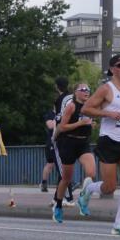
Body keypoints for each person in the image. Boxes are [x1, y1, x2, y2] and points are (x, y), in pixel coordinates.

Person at [78, 54, 120, 236]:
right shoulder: (106, 89)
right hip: (108, 141)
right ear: (112, 69)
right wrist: (108, 114)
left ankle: (118, 223)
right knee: (109, 187)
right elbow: (86, 109)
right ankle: (88, 190)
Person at [50, 83, 96, 223]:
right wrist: (80, 124)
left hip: (83, 143)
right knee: (66, 178)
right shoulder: (71, 106)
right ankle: (58, 205)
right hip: (68, 143)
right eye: (82, 89)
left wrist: (91, 125)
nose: (86, 91)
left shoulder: (90, 106)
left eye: (88, 89)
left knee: (91, 172)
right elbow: (62, 126)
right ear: (76, 92)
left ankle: (83, 199)